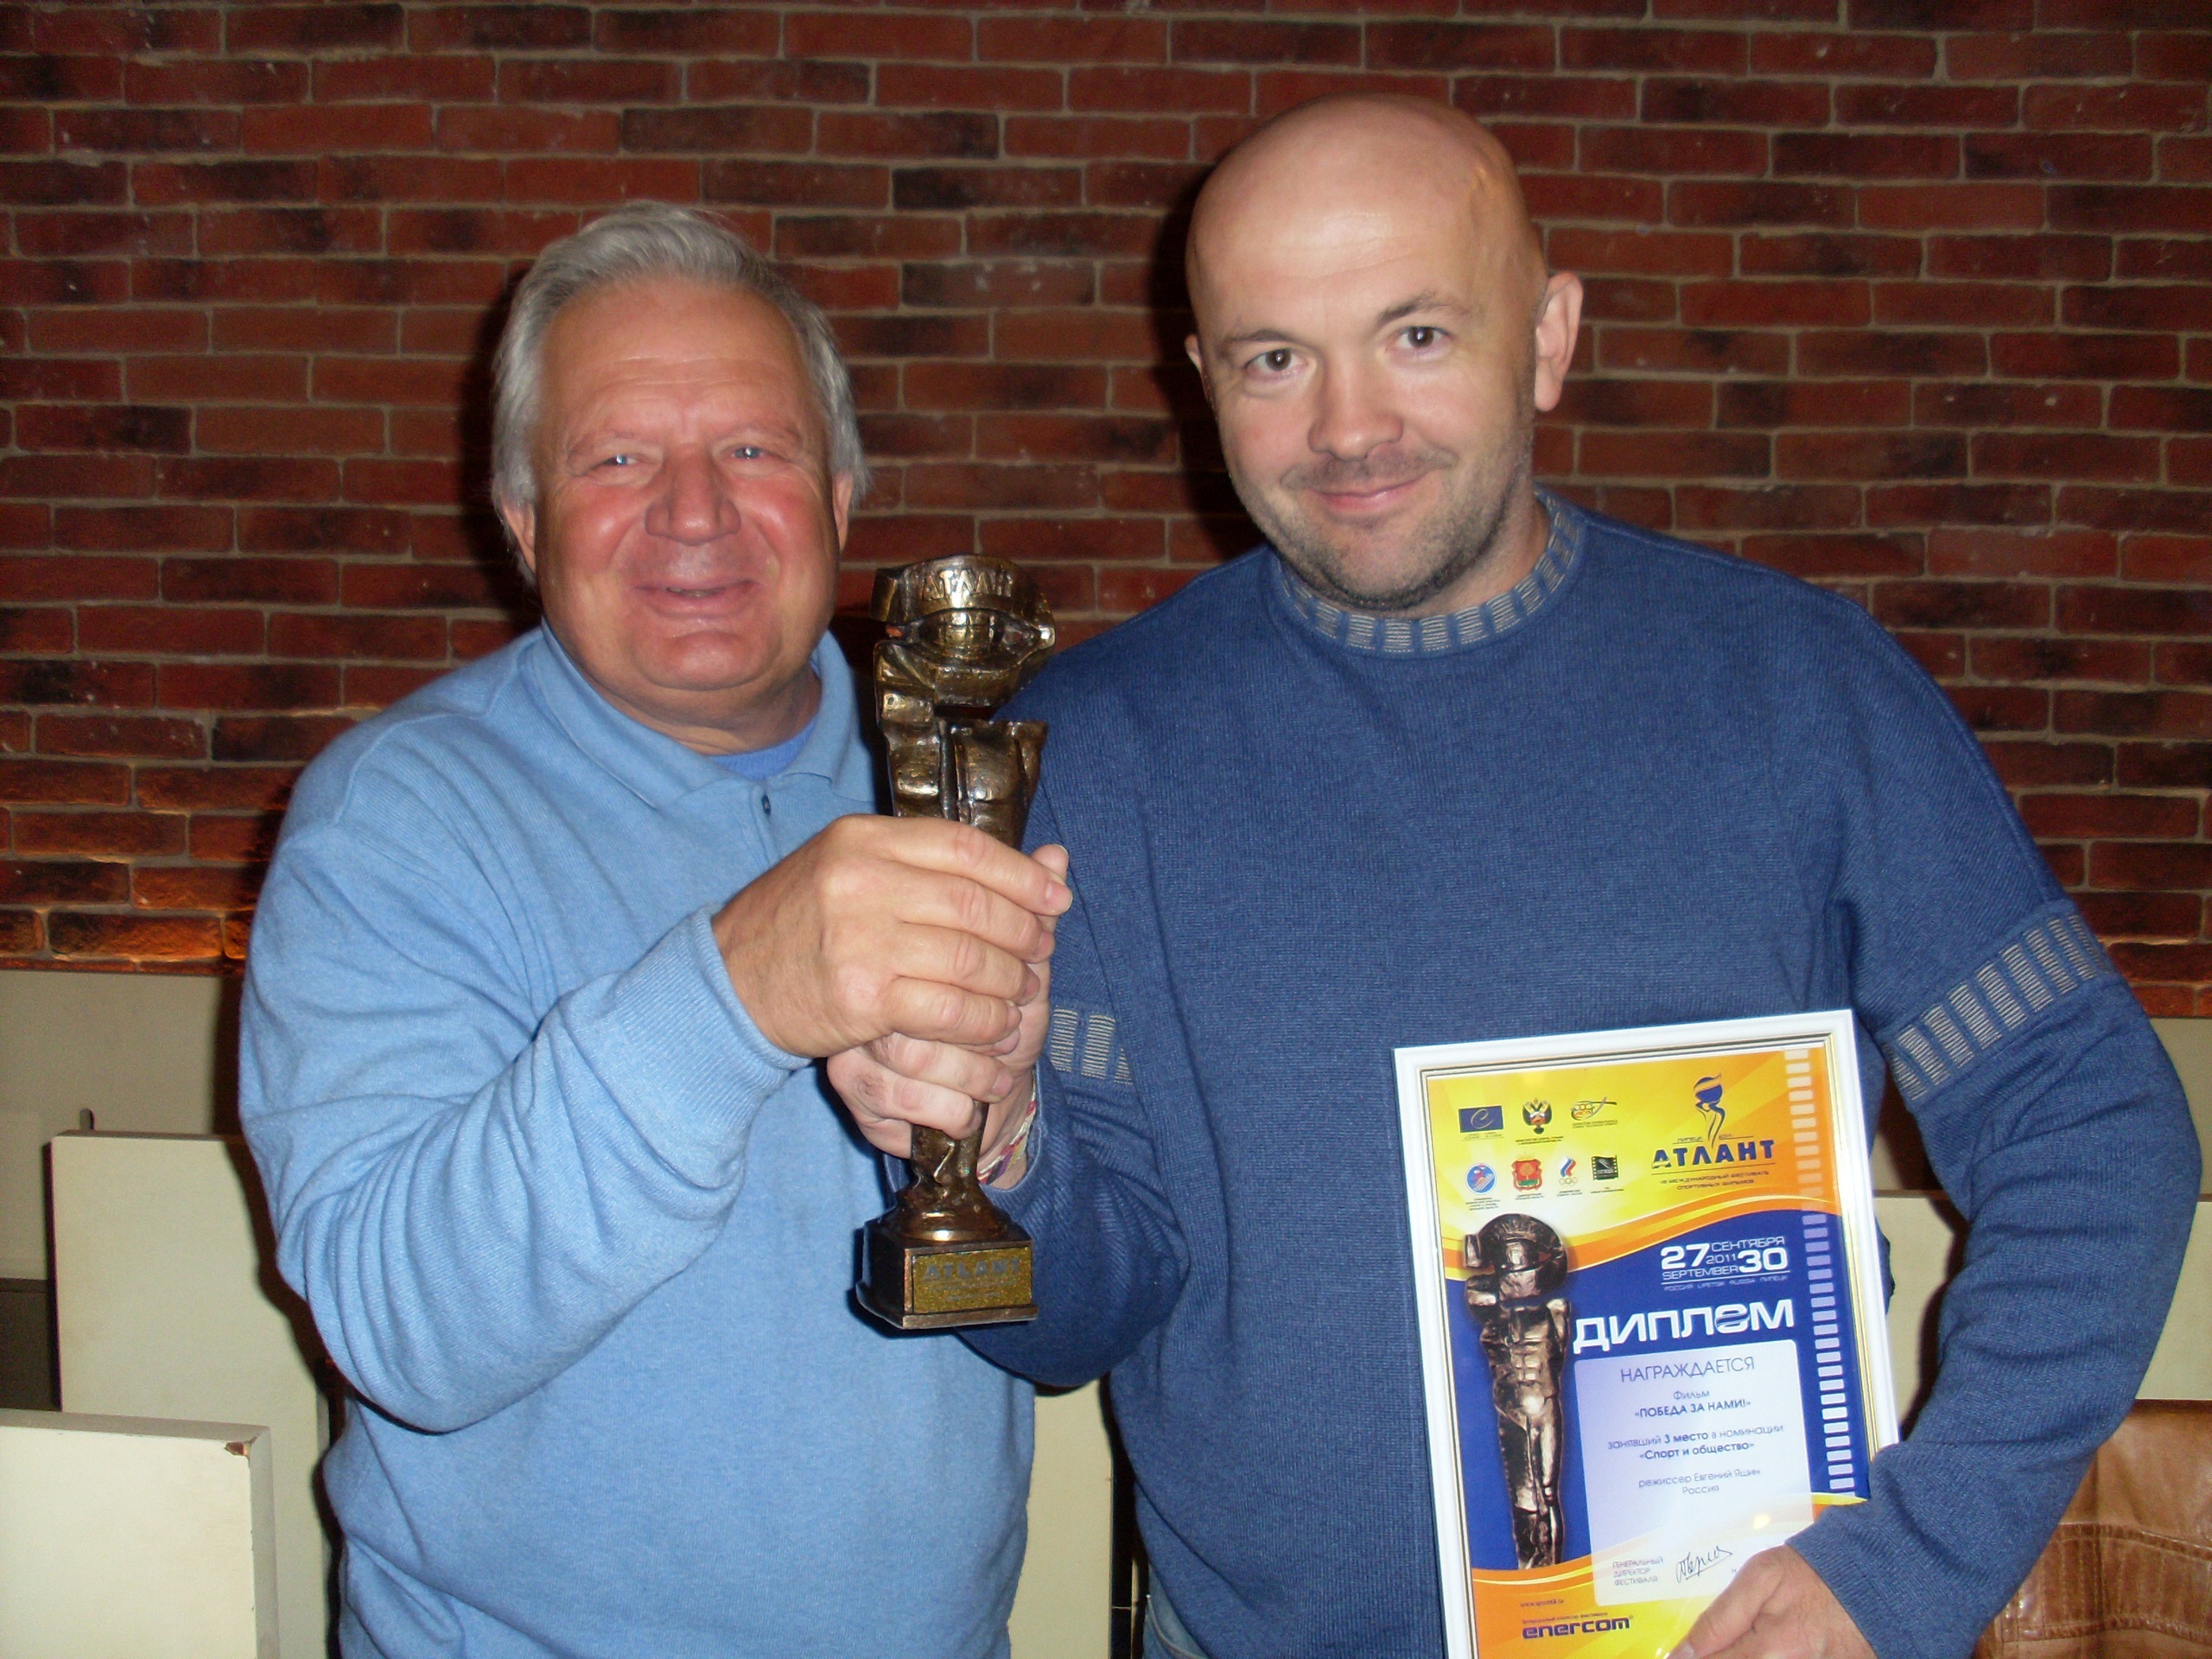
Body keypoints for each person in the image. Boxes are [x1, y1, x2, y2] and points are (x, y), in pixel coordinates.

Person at [830, 97, 2202, 1659]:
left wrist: (1913, 1559)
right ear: (1204, 381)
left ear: (1547, 339)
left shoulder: (1801, 691)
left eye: (1415, 334)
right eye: (1275, 358)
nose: (1348, 428)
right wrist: (1002, 1141)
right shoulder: (1094, 751)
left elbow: (2091, 1125)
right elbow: (1073, 1325)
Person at [238, 203, 1069, 1659]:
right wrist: (733, 990)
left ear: (840, 497)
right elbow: (395, 1329)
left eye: (753, 449)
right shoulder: (392, 818)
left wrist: (1015, 1147)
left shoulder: (976, 781)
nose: (694, 512)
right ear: (522, 523)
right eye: (616, 458)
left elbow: (1082, 1287)